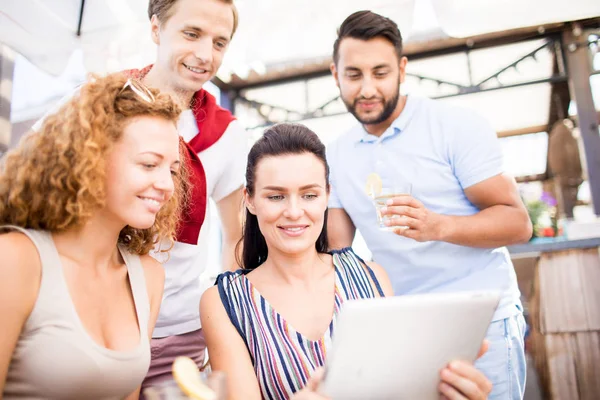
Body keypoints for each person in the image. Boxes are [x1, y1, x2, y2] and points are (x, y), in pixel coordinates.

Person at [32, 0, 247, 389]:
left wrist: (227, 323)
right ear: (155, 29)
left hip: (177, 332)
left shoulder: (228, 135)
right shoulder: (96, 102)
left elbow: (235, 238)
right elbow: (32, 180)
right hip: (84, 317)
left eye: (220, 42)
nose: (205, 54)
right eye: (192, 34)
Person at [200, 123, 493, 400]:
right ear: (249, 200)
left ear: (327, 195)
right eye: (276, 197)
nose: (293, 211)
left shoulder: (371, 278)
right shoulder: (224, 303)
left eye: (309, 195)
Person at [326, 11, 533, 400]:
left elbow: (518, 223)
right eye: (353, 75)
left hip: (480, 319)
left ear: (402, 70)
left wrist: (439, 227)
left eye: (380, 72)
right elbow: (336, 253)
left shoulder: (455, 126)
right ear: (335, 75)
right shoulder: (334, 156)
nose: (367, 88)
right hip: (404, 328)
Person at [0, 74, 185, 399]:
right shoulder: (15, 260)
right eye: (148, 164)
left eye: (171, 170)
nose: (167, 185)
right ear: (88, 160)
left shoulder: (148, 277)